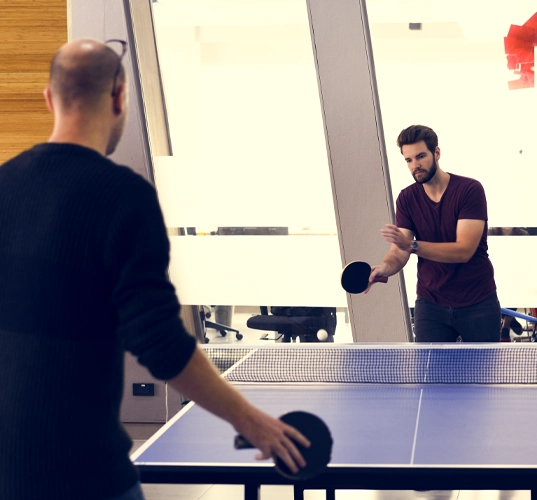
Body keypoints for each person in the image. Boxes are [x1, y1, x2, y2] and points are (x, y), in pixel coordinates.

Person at [0, 39, 308, 500]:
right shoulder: (122, 196)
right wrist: (250, 420)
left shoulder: (4, 184)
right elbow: (159, 342)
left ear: (49, 98)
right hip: (83, 473)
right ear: (119, 96)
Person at [368, 125, 500, 342]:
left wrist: (412, 246)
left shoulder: (470, 190)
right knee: (430, 376)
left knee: (483, 376)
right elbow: (399, 252)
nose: (415, 165)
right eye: (409, 160)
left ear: (436, 153)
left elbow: (463, 251)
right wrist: (383, 268)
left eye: (420, 156)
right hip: (431, 306)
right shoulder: (406, 199)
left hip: (477, 303)